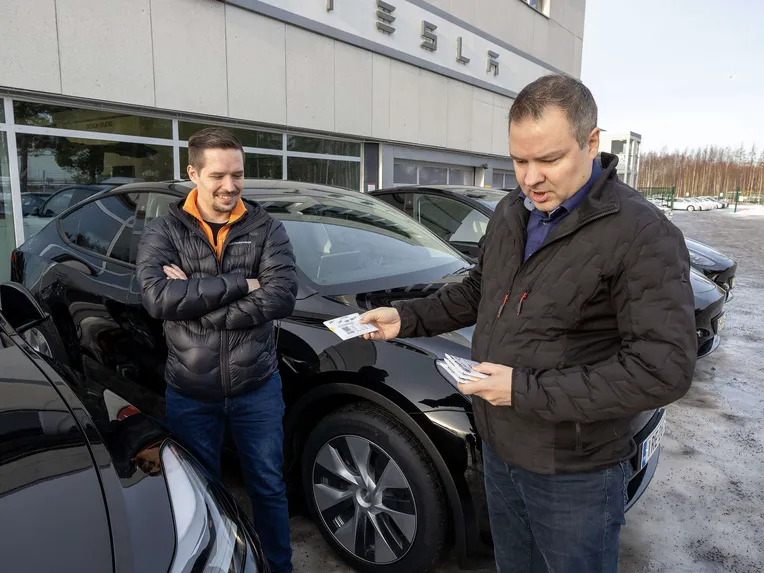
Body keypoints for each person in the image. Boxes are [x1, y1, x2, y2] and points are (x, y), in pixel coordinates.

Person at [359, 74, 697, 573]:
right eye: (519, 161)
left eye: (549, 159)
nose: (530, 178)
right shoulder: (511, 213)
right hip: (499, 448)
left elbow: (661, 369)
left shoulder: (642, 233)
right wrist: (405, 317)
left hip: (573, 472)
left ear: (592, 143)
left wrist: (523, 390)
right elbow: (480, 290)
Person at [136, 127, 297, 573]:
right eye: (218, 176)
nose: (230, 186)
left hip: (256, 388)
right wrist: (240, 284)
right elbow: (157, 299)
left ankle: (278, 568)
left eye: (238, 175)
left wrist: (194, 301)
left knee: (267, 486)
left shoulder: (267, 228)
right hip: (190, 390)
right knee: (199, 490)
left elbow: (281, 295)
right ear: (193, 173)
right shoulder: (164, 230)